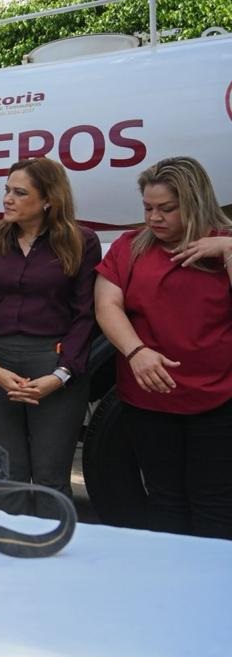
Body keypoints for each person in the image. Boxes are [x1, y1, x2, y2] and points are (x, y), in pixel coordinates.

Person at [94, 156, 232, 539]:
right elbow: (107, 305)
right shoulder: (128, 247)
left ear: (195, 202)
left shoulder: (224, 245)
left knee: (216, 500)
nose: (154, 218)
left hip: (219, 397)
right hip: (148, 398)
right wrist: (136, 352)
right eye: (148, 208)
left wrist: (227, 249)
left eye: (166, 209)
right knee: (165, 498)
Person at [0, 158, 101, 515]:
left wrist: (60, 375)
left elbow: (86, 314)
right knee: (6, 473)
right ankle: (11, 555)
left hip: (54, 364)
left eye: (19, 192)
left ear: (48, 200)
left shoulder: (81, 242)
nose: (8, 199)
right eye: (7, 190)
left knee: (51, 475)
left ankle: (53, 556)